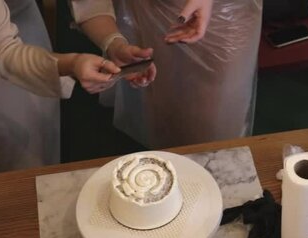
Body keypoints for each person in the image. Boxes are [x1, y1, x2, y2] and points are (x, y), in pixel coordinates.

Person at [71, 0, 262, 150]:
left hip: (223, 15)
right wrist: (113, 42)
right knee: (164, 108)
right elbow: (89, 4)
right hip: (150, 12)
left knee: (213, 131)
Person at [0, 0, 126, 173]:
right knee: (9, 141)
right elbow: (3, 49)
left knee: (42, 130)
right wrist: (72, 63)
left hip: (19, 11)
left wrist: (113, 42)